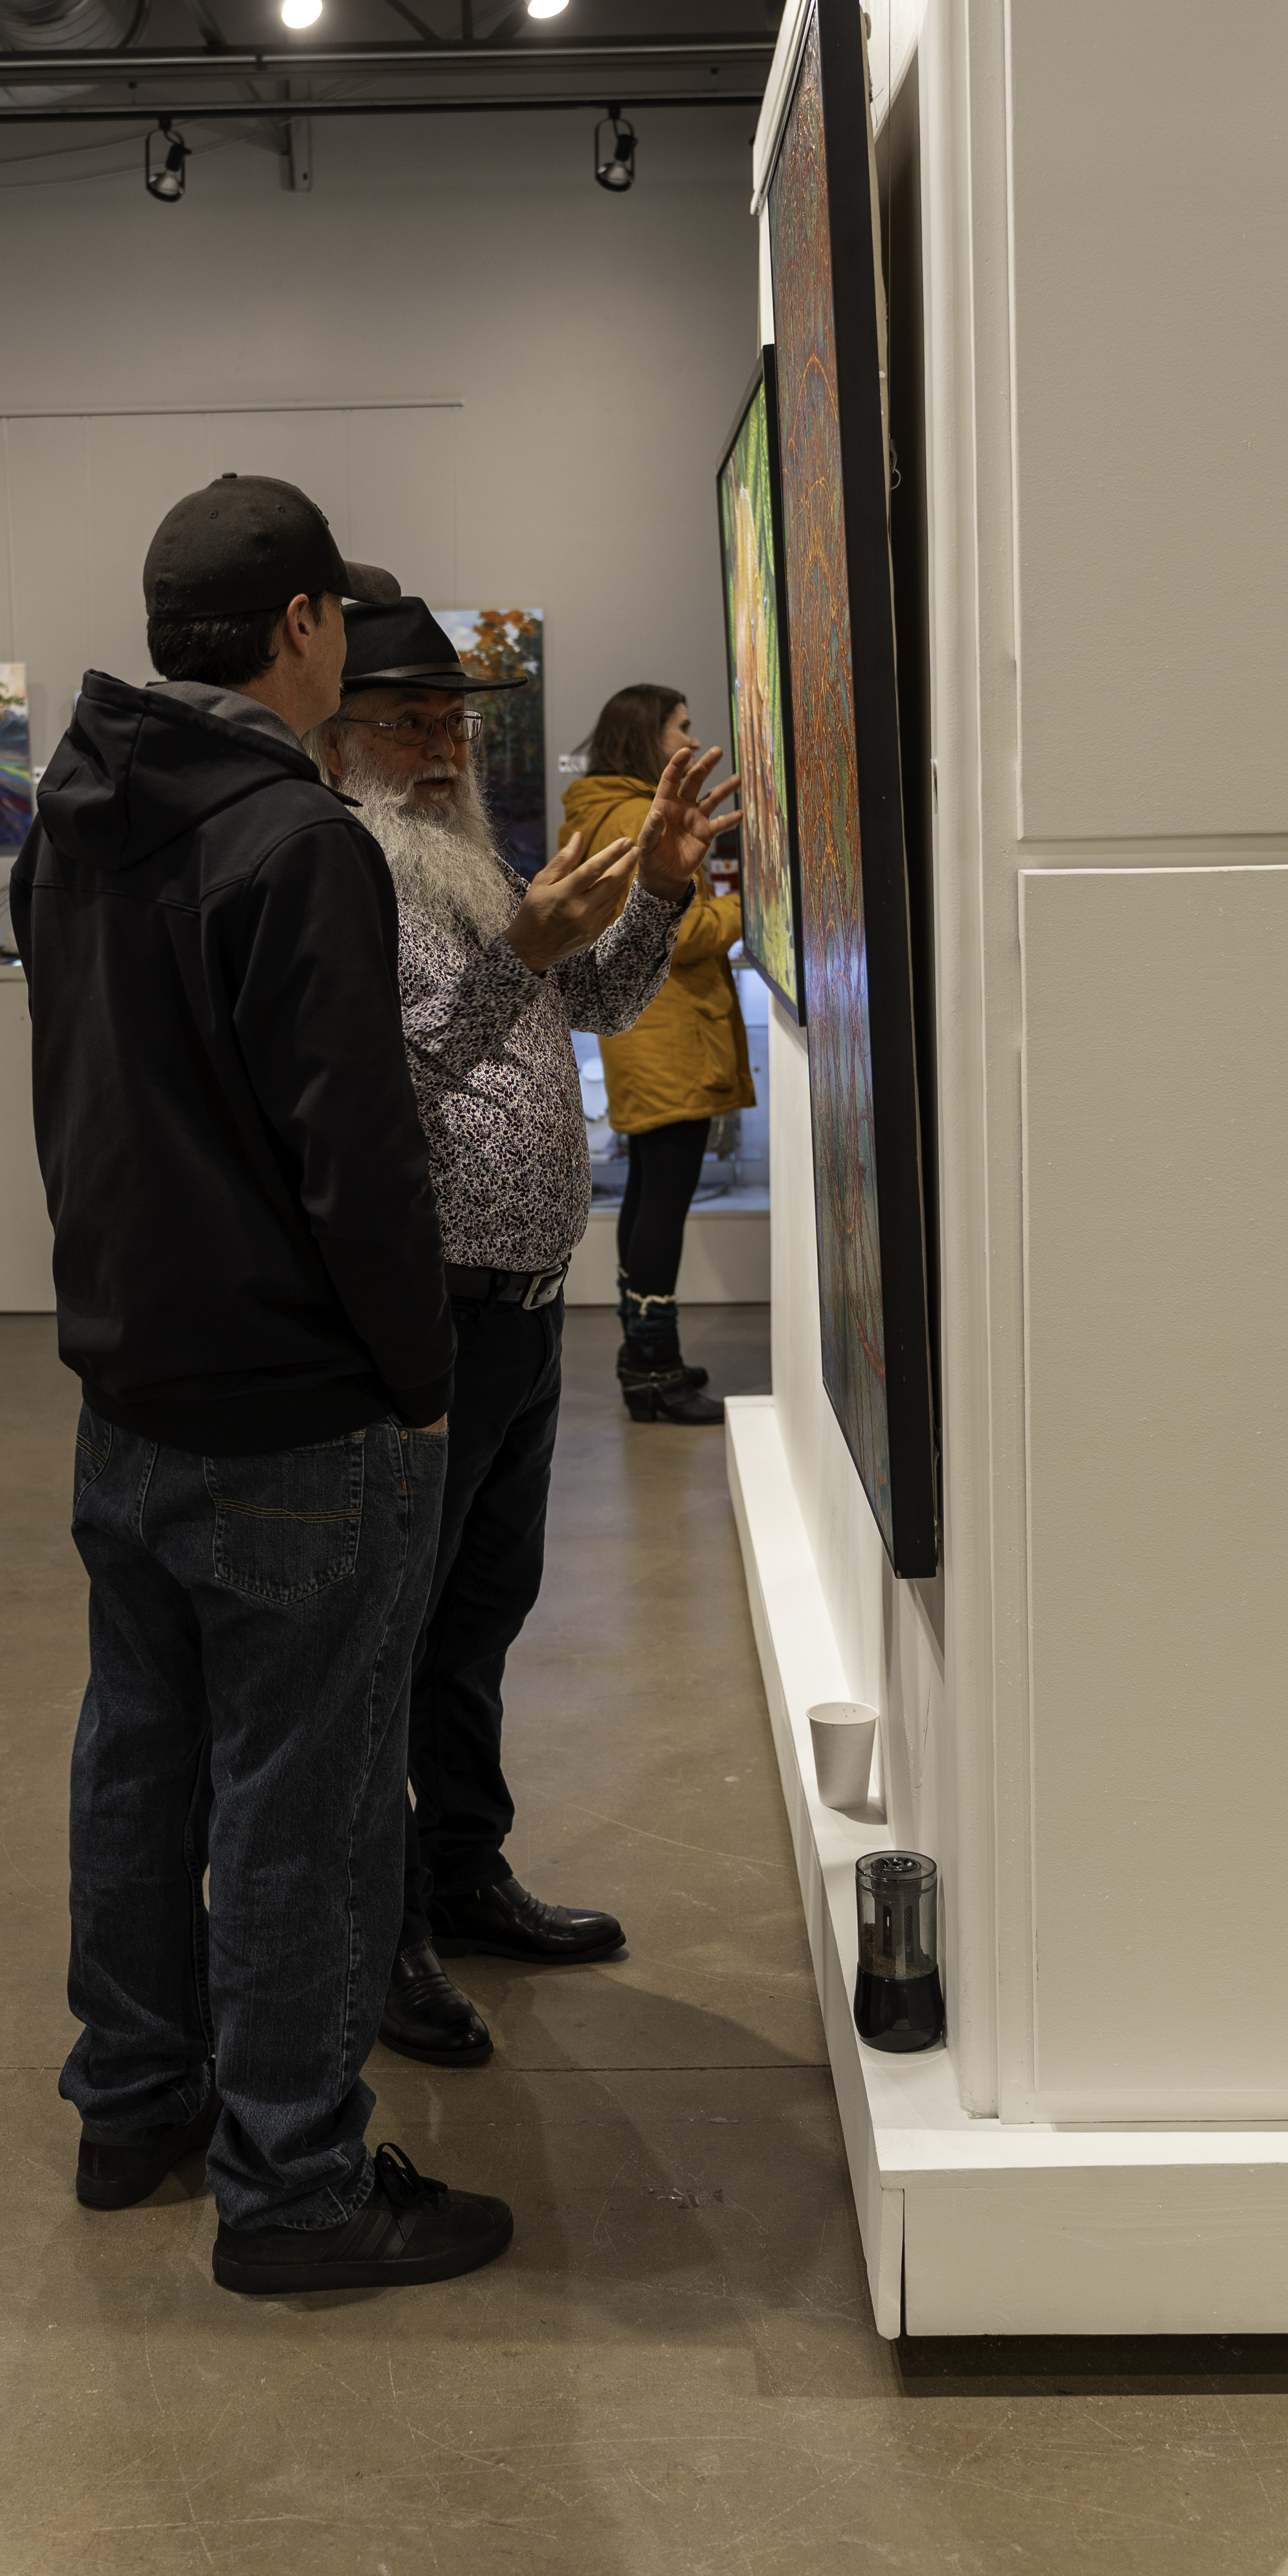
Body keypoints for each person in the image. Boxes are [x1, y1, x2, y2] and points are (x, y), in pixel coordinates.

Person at [10, 474, 513, 2299]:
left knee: (139, 1758)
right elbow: (355, 1160)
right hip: (298, 1404)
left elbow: (80, 1105)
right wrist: (420, 1375)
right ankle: (292, 2181)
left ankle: (133, 2098)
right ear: (303, 627)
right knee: (301, 1790)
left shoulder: (74, 813)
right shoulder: (296, 842)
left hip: (130, 1386)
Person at [313, 596, 737, 2071]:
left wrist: (664, 896)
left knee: (480, 1619)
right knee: (396, 1635)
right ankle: (382, 1934)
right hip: (428, 1308)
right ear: (339, 733)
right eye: (408, 721)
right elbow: (371, 1082)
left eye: (456, 720)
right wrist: (520, 951)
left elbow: (592, 998)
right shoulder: (342, 870)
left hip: (526, 1304)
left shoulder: (470, 850)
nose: (442, 745)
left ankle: (463, 1870)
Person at [561, 684, 754, 1423]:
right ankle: (654, 1371)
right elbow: (679, 931)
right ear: (647, 735)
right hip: (669, 1034)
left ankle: (645, 1358)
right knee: (662, 1202)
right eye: (681, 726)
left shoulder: (603, 810)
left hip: (649, 1034)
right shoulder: (639, 816)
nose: (689, 738)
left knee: (650, 1194)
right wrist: (756, 908)